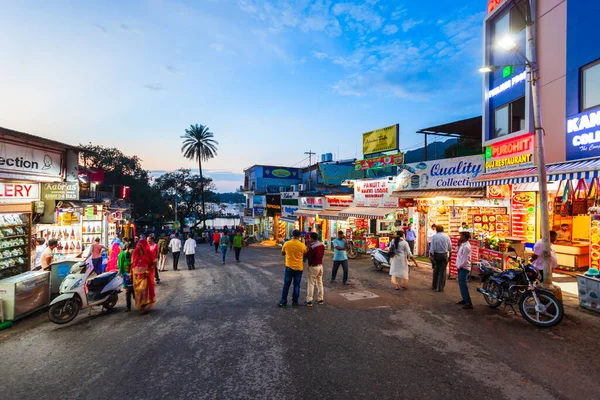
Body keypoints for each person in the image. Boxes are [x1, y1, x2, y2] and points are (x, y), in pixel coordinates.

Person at [278, 230, 307, 308]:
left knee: (286, 285)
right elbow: (305, 254)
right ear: (299, 236)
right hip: (299, 268)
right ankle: (295, 302)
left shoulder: (287, 243)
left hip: (289, 267)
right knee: (296, 285)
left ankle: (283, 302)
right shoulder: (302, 245)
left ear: (292, 235)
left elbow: (282, 253)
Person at [131, 239, 157, 314]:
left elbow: (154, 263)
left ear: (144, 246)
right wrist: (130, 273)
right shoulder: (135, 253)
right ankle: (141, 305)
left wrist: (148, 270)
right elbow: (132, 264)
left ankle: (143, 307)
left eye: (140, 245)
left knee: (143, 290)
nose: (139, 247)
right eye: (138, 245)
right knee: (138, 291)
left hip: (145, 275)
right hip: (136, 275)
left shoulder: (149, 253)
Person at [429, 225, 452, 292]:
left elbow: (432, 248)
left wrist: (431, 255)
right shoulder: (446, 237)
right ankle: (441, 287)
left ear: (436, 230)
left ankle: (434, 285)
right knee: (443, 271)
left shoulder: (434, 237)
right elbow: (450, 248)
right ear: (443, 230)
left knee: (436, 270)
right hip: (444, 255)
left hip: (436, 255)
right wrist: (450, 256)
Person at [305, 232, 325, 306]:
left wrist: (307, 249)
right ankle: (320, 299)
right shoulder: (321, 245)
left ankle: (309, 300)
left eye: (310, 238)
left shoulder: (312, 247)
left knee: (311, 284)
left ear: (312, 239)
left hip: (313, 266)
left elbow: (308, 256)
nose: (309, 239)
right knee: (319, 283)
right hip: (320, 266)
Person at [456, 231, 473, 309]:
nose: (460, 237)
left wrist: (460, 266)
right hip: (461, 266)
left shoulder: (466, 247)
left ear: (464, 237)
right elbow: (457, 252)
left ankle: (468, 302)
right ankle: (465, 299)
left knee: (463, 285)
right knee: (461, 284)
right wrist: (458, 245)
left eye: (461, 236)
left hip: (464, 267)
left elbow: (465, 259)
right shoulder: (463, 245)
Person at [117, 243, 134, 311]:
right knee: (128, 291)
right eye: (131, 249)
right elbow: (120, 265)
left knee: (131, 290)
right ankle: (128, 306)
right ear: (128, 248)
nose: (132, 250)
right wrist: (121, 274)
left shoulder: (131, 254)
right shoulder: (121, 254)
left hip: (131, 274)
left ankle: (139, 304)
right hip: (125, 275)